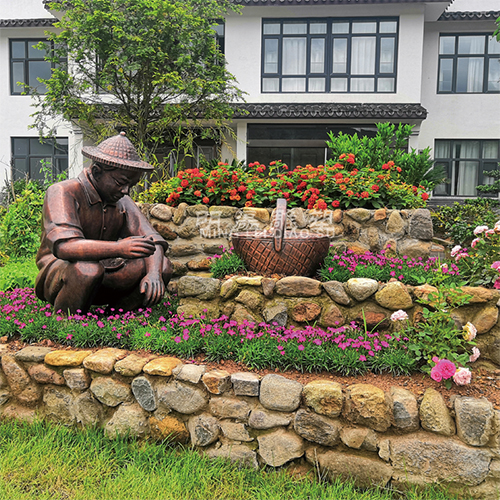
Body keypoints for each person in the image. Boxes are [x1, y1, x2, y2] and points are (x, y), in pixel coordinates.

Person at [35, 132, 172, 314]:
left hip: (107, 271)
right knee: (88, 269)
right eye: (120, 183)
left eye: (131, 185)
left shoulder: (122, 201)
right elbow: (64, 247)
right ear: (97, 172)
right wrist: (119, 248)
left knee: (162, 265)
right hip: (63, 272)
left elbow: (153, 240)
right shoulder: (62, 192)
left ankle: (116, 317)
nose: (125, 191)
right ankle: (66, 323)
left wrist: (154, 273)